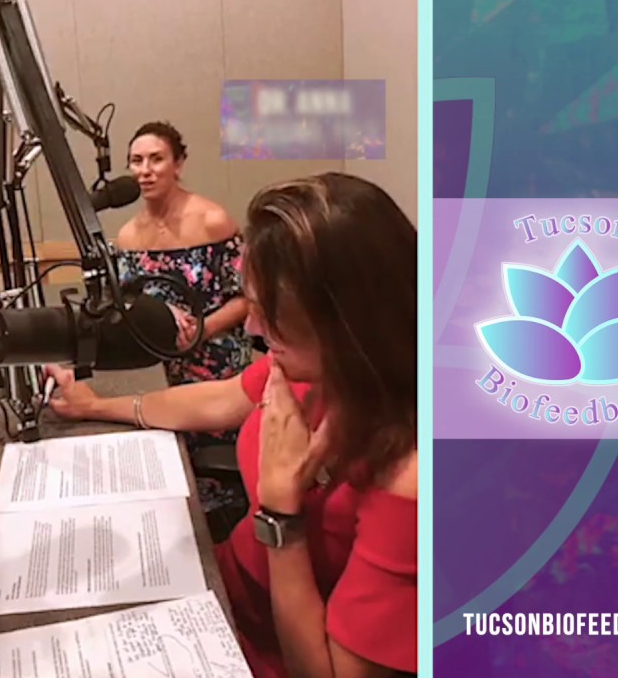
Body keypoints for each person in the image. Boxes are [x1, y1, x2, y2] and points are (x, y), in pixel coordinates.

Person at [48, 172, 418, 677]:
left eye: (268, 314)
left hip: (258, 654)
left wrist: (282, 516)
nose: (251, 328)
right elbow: (219, 399)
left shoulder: (409, 485)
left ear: (343, 322)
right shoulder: (313, 369)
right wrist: (97, 407)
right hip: (216, 597)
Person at [115, 120, 252, 538]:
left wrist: (201, 330)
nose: (145, 170)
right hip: (158, 364)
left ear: (179, 164)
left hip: (216, 361)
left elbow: (247, 298)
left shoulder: (213, 221)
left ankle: (230, 543)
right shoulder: (127, 236)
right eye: (136, 161)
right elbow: (125, 304)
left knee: (222, 475)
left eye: (156, 159)